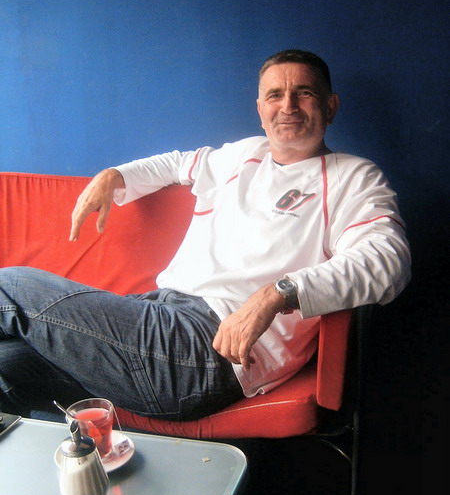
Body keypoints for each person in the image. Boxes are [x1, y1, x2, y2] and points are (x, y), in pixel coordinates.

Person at [0, 50, 411, 420]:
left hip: (207, 347)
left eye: (303, 93)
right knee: (8, 364)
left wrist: (276, 295)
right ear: (260, 108)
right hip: (157, 317)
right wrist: (115, 175)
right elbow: (176, 164)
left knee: (10, 286)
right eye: (274, 95)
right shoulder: (242, 154)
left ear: (330, 106)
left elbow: (388, 260)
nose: (287, 106)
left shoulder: (354, 177)